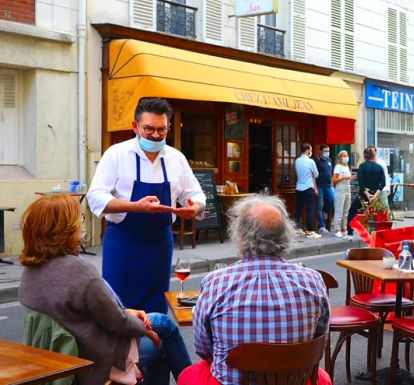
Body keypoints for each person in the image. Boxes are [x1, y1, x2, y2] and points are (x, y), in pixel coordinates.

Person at [19, 194, 191, 385]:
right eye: (79, 219)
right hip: (97, 359)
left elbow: (80, 313)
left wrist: (129, 315)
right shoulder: (78, 270)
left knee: (162, 323)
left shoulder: (30, 271)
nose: (80, 225)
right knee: (162, 338)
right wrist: (141, 328)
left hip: (70, 351)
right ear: (64, 229)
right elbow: (116, 322)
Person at [178, 195, 331, 385]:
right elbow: (319, 341)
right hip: (294, 380)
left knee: (188, 374)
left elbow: (204, 349)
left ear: (240, 236)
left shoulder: (215, 282)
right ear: (286, 235)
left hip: (232, 382)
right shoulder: (313, 280)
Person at [87, 97, 205, 314]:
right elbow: (95, 197)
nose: (156, 135)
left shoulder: (176, 158)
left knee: (156, 310)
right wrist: (135, 206)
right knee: (118, 310)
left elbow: (196, 195)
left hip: (159, 245)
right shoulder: (116, 154)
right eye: (149, 129)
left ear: (168, 126)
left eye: (162, 130)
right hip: (122, 245)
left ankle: (153, 347)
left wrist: (194, 208)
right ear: (135, 126)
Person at [347, 147, 386, 238]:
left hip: (363, 195)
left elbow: (360, 181)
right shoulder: (379, 167)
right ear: (374, 155)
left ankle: (350, 233)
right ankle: (375, 235)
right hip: (375, 195)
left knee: (352, 211)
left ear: (365, 156)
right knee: (376, 215)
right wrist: (376, 193)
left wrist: (367, 193)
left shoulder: (362, 166)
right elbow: (383, 182)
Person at [294, 143, 320, 237]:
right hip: (308, 187)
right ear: (308, 150)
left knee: (298, 209)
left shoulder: (297, 161)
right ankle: (309, 230)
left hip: (299, 187)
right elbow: (316, 174)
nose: (311, 152)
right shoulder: (311, 162)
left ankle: (297, 228)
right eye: (311, 150)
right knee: (309, 209)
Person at [332, 150, 354, 238]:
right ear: (340, 158)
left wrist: (351, 177)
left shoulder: (346, 167)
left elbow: (348, 177)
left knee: (346, 210)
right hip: (340, 189)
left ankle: (344, 228)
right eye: (344, 156)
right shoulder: (338, 167)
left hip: (347, 188)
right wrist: (343, 177)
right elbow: (334, 180)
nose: (346, 157)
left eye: (347, 155)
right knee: (339, 210)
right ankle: (337, 229)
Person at [314, 143, 334, 234]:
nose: (327, 152)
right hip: (320, 186)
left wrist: (332, 184)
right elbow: (313, 175)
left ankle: (325, 212)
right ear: (321, 151)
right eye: (325, 151)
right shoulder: (316, 161)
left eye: (328, 151)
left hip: (329, 185)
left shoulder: (330, 160)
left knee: (332, 200)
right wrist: (315, 188)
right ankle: (321, 226)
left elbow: (331, 174)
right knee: (319, 206)